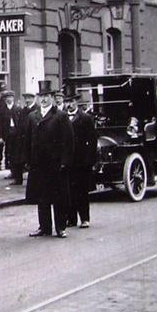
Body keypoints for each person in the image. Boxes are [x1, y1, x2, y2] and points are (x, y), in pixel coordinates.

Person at [24, 80, 74, 239]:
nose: (44, 99)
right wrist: (27, 160)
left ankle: (60, 227)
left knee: (59, 197)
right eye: (41, 96)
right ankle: (44, 227)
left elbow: (68, 141)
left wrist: (65, 161)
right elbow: (27, 140)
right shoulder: (33, 116)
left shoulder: (60, 116)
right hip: (39, 164)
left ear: (52, 98)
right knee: (42, 197)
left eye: (47, 96)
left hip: (56, 163)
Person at [64, 86, 97, 228]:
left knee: (82, 191)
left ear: (76, 102)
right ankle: (71, 219)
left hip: (81, 161)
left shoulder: (86, 118)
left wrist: (89, 160)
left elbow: (92, 141)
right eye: (67, 101)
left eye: (72, 101)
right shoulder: (62, 117)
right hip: (67, 161)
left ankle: (84, 218)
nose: (69, 104)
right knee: (68, 191)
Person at [0, 90, 22, 184]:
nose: (9, 99)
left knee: (17, 154)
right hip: (8, 135)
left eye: (10, 97)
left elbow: (21, 123)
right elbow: (0, 125)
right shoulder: (2, 110)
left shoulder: (18, 109)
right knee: (9, 154)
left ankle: (17, 174)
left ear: (13, 98)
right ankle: (12, 171)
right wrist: (1, 137)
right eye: (7, 98)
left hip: (17, 135)